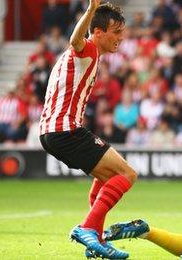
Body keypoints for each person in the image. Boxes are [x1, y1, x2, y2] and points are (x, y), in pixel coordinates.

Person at [37, 1, 134, 259]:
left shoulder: (91, 55)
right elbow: (75, 40)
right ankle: (88, 229)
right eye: (116, 31)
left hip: (53, 132)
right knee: (127, 173)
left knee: (106, 178)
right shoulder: (88, 48)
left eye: (122, 31)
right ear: (99, 32)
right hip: (64, 130)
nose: (121, 37)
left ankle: (96, 243)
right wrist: (91, 9)